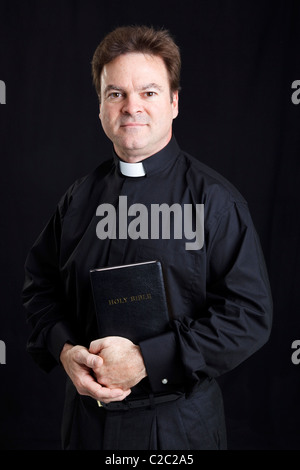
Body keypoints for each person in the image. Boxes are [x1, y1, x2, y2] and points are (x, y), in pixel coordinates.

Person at [22, 25, 273, 450]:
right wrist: (65, 350)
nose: (131, 107)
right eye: (115, 93)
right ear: (100, 107)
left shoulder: (215, 201)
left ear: (174, 102)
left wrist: (145, 360)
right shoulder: (78, 199)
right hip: (88, 428)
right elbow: (39, 288)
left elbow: (249, 316)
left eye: (149, 93)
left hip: (179, 429)